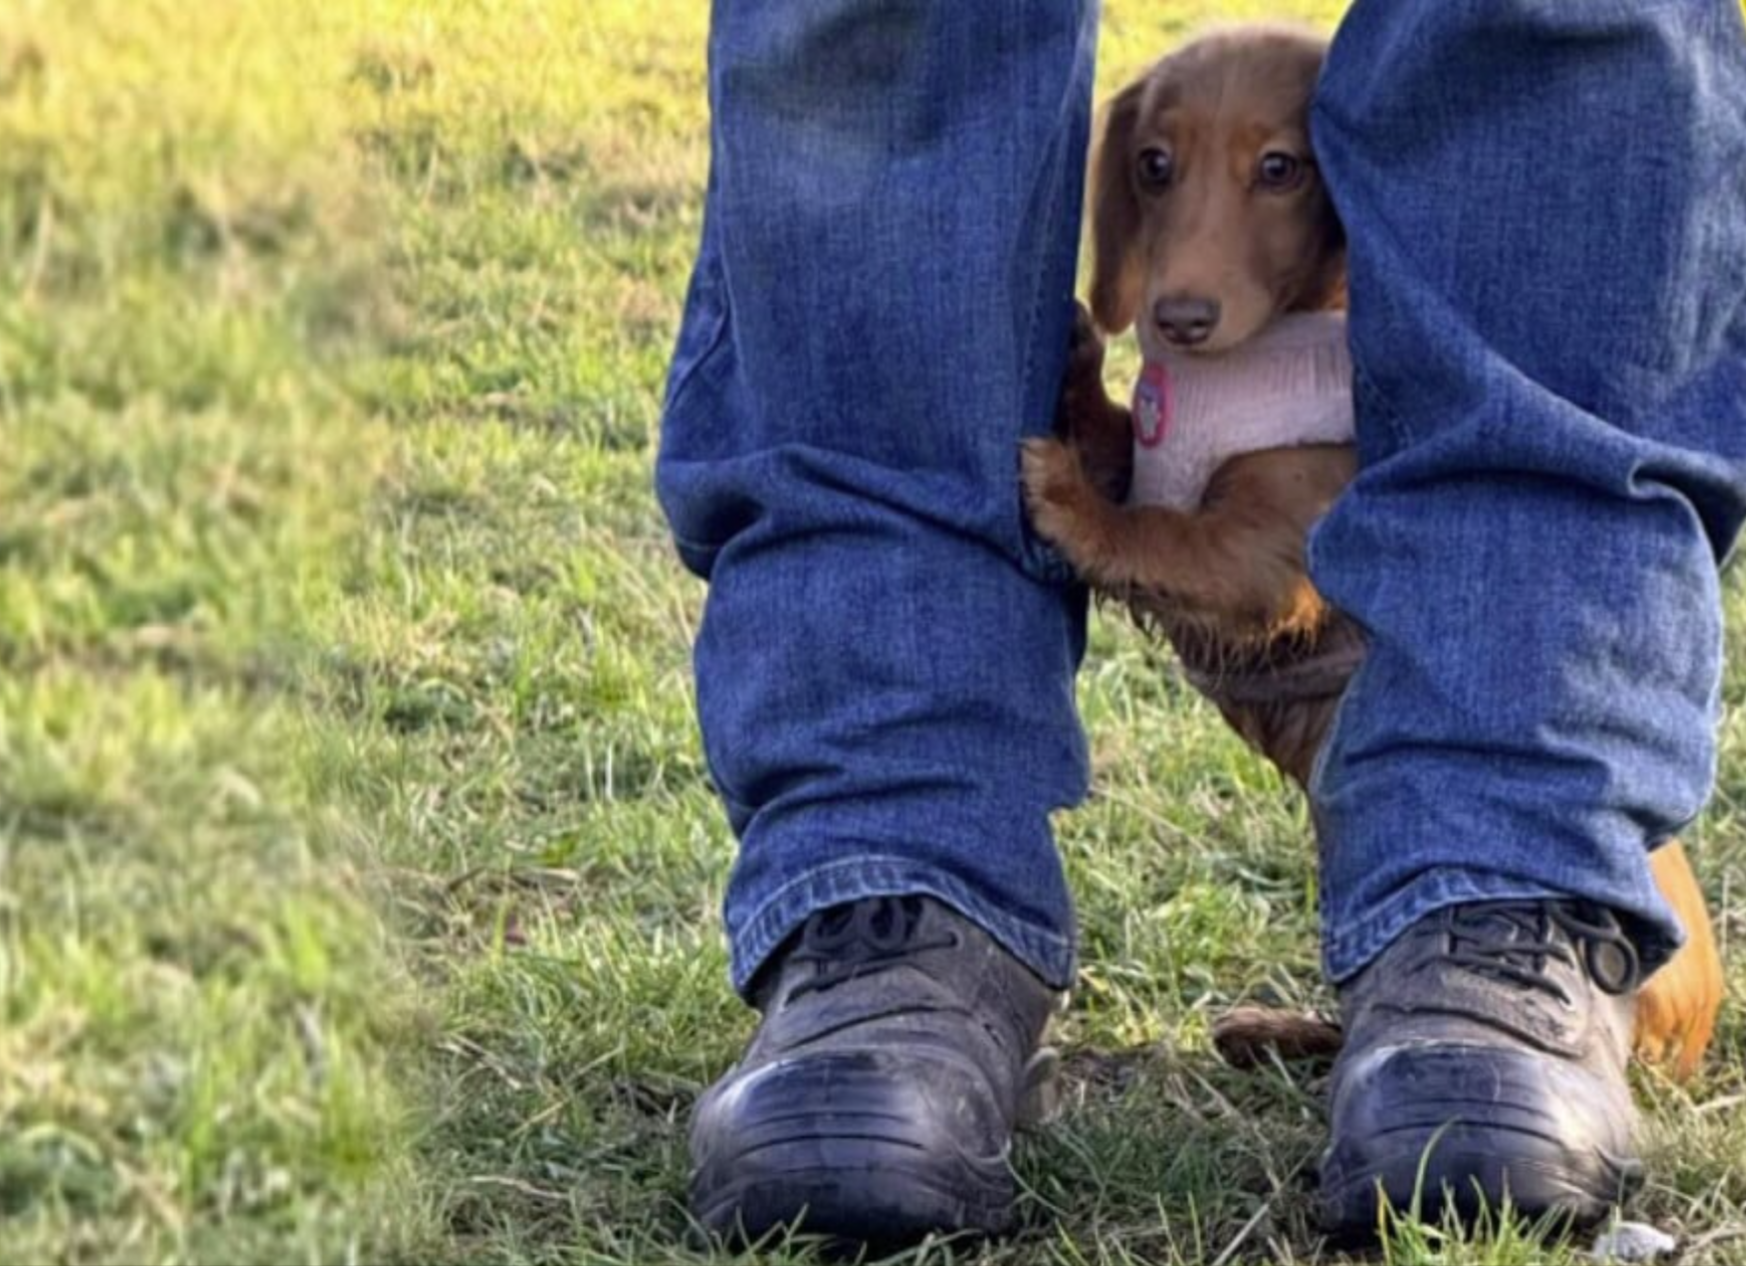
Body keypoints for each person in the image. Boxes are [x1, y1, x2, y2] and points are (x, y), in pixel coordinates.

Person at [656, 0, 1746, 1247]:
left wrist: (1106, 530)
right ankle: (890, 886)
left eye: (1276, 175)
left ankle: (1510, 888)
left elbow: (1261, 571)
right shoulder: (1218, 371)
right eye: (1163, 174)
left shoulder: (1316, 376)